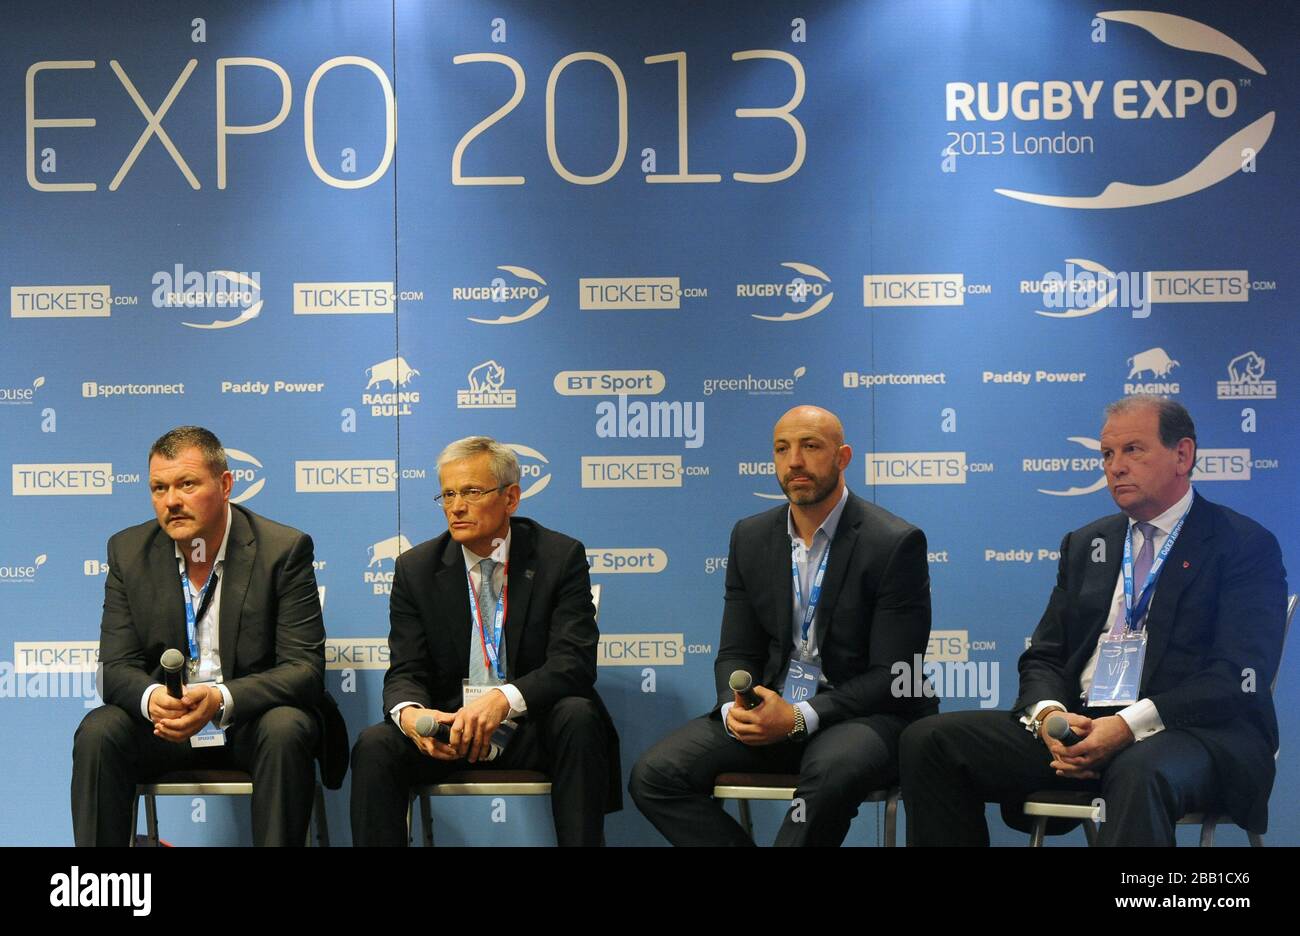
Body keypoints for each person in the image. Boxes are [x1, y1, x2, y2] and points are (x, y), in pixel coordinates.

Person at [901, 396, 1288, 846]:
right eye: (1107, 454)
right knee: (929, 741)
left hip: (1191, 733)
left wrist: (1127, 726)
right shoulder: (1089, 543)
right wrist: (1049, 716)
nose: (1115, 467)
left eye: (1133, 450)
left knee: (1139, 768)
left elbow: (1237, 678)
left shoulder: (1241, 544)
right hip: (1083, 726)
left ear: (1182, 455)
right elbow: (1044, 655)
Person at [629, 405, 935, 845]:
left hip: (867, 715)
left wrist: (798, 716)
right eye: (782, 448)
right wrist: (735, 706)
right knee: (656, 775)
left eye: (811, 446)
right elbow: (736, 650)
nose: (794, 461)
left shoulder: (893, 543)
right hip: (774, 705)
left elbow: (894, 675)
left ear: (843, 457)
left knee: (829, 773)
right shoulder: (751, 537)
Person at [349, 436, 620, 845]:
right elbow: (406, 669)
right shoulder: (416, 568)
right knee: (376, 745)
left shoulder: (558, 557)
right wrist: (410, 715)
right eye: (448, 494)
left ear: (510, 498)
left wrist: (503, 699)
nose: (456, 506)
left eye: (472, 492)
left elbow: (574, 663)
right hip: (449, 730)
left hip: (532, 727)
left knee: (579, 716)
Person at [72, 426, 326, 846]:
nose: (171, 500)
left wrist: (219, 699)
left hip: (249, 723)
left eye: (187, 484)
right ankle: (102, 890)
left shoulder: (283, 549)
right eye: (159, 488)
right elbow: (115, 668)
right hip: (166, 729)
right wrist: (155, 701)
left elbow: (304, 670)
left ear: (225, 485)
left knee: (286, 727)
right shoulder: (128, 551)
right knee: (99, 732)